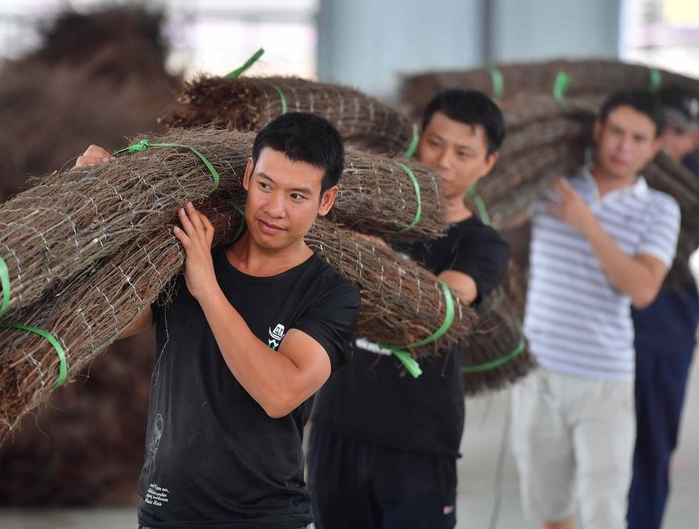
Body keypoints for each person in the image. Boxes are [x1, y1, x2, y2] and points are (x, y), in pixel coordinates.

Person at [75, 112, 360, 529]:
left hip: (264, 519)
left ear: (326, 201)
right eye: (265, 185)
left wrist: (207, 288)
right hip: (164, 513)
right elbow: (110, 323)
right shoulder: (191, 252)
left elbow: (279, 393)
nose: (275, 209)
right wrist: (98, 210)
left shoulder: (331, 294)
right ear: (247, 175)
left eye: (297, 196)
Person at [307, 88, 511, 529]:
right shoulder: (371, 215)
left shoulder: (482, 245)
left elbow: (439, 306)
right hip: (336, 425)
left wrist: (370, 255)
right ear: (419, 139)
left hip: (420, 441)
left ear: (488, 163)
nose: (443, 161)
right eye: (435, 143)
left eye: (463, 152)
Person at [510, 88, 681, 529]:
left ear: (655, 146)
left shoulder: (659, 209)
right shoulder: (552, 187)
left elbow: (642, 288)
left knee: (604, 514)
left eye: (638, 139)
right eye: (617, 132)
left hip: (604, 379)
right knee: (548, 513)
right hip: (538, 373)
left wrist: (587, 223)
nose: (624, 147)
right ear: (599, 130)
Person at [628, 86, 699, 529]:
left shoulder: (697, 187)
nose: (665, 143)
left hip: (665, 329)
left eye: (678, 133)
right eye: (659, 130)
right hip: (610, 332)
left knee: (652, 443)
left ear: (694, 140)